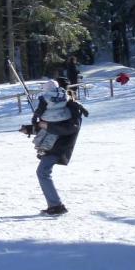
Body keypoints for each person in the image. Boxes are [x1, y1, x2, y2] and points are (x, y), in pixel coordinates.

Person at [31, 81, 89, 215]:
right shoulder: (63, 106)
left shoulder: (73, 110)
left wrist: (45, 125)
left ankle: (57, 206)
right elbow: (47, 124)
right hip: (52, 144)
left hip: (59, 146)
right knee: (43, 172)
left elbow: (68, 129)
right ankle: (55, 205)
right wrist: (29, 129)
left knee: (43, 172)